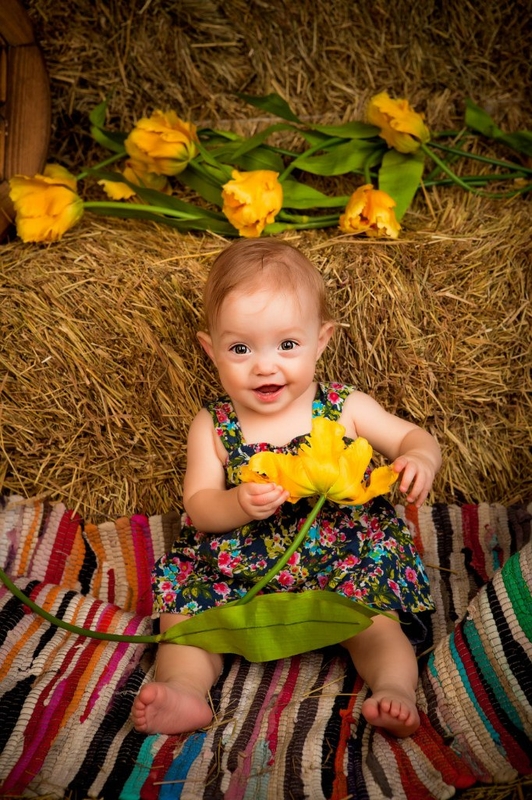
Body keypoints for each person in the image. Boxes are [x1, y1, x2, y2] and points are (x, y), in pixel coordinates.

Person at [132, 238, 441, 738]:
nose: (265, 366)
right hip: (241, 568)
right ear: (211, 350)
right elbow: (199, 505)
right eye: (240, 348)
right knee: (183, 622)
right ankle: (184, 689)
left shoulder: (345, 407)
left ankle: (394, 688)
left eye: (288, 345)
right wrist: (237, 503)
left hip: (343, 559)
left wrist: (419, 458)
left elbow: (413, 437)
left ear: (322, 340)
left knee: (378, 624)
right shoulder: (213, 425)